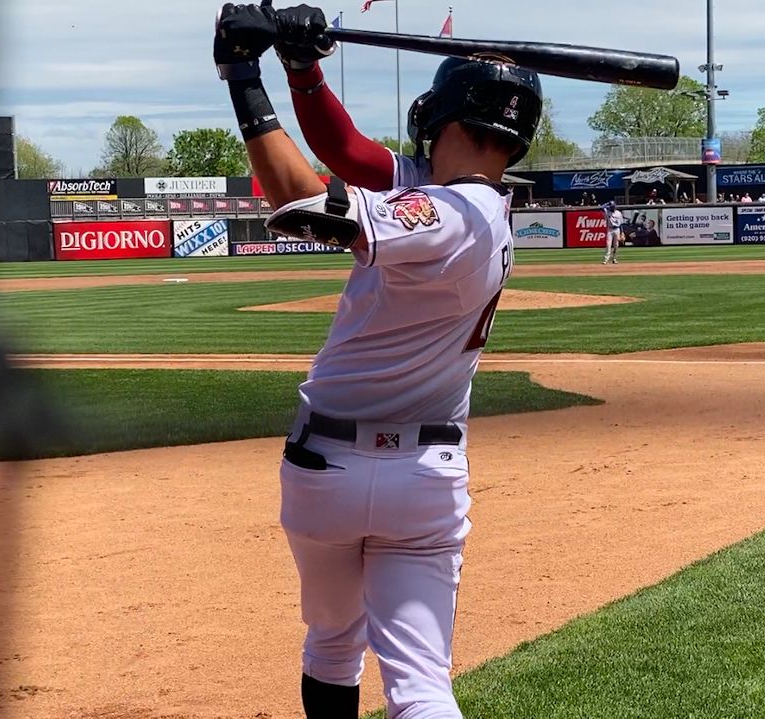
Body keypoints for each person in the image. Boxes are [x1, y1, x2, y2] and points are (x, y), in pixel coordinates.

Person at [213, 4, 541, 717]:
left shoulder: (446, 214)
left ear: (446, 113)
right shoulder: (470, 204)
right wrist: (303, 70)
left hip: (324, 471)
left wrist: (242, 75)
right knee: (421, 687)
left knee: (331, 644)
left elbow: (304, 198)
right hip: (424, 480)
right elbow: (351, 151)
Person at [602, 200, 623, 264]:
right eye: (611, 206)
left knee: (616, 245)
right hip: (610, 229)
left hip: (617, 229)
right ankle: (606, 259)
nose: (613, 207)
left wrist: (622, 232)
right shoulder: (607, 212)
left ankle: (614, 258)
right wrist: (608, 203)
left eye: (613, 206)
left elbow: (621, 224)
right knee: (608, 244)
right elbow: (601, 207)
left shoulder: (618, 213)